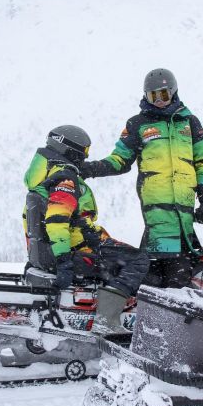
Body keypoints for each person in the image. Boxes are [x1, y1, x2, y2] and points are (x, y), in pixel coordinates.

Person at [81, 68, 203, 288]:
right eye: (153, 96)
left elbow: (202, 163)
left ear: (173, 91)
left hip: (186, 215)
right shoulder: (138, 124)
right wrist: (89, 169)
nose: (159, 101)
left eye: (163, 94)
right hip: (156, 215)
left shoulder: (190, 123)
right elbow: (120, 160)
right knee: (160, 280)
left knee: (184, 276)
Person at [23, 125, 149, 333]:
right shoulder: (65, 177)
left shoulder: (45, 175)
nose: (84, 158)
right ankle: (106, 319)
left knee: (123, 253)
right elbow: (57, 220)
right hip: (76, 251)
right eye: (84, 153)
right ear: (72, 151)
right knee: (138, 260)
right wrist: (64, 261)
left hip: (66, 249)